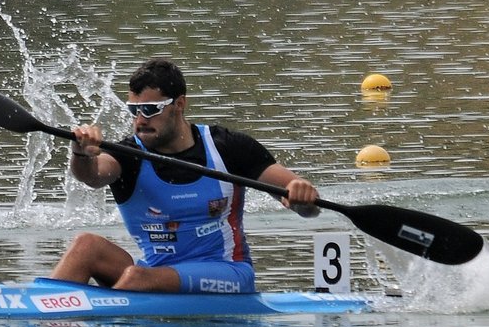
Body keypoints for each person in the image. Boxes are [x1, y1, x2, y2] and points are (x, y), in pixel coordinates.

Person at [50, 58, 320, 294]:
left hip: (228, 272)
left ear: (179, 104)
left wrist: (302, 195)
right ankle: (45, 321)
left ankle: (89, 322)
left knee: (137, 278)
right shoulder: (128, 154)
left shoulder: (228, 148)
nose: (140, 120)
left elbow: (302, 202)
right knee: (86, 245)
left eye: (151, 109)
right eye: (134, 110)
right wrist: (82, 153)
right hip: (152, 274)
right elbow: (93, 175)